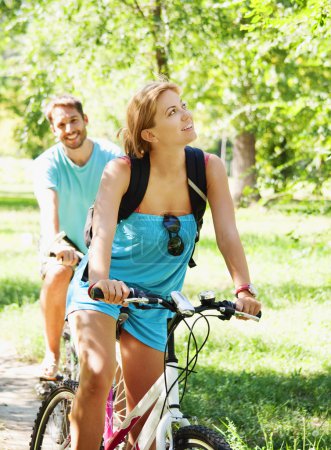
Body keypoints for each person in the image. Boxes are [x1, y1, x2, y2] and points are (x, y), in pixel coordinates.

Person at [66, 81, 262, 450]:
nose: (186, 114)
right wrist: (102, 281)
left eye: (183, 105)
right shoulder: (121, 171)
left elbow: (228, 235)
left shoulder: (208, 169)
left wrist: (243, 288)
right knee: (97, 374)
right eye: (172, 112)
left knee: (148, 425)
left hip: (154, 301)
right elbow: (103, 234)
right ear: (149, 133)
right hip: (101, 289)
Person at [33, 94, 121, 379]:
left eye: (74, 121)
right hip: (67, 243)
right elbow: (49, 209)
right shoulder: (47, 163)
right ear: (53, 130)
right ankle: (52, 353)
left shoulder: (112, 156)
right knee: (58, 272)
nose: (69, 129)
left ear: (85, 120)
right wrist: (57, 243)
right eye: (61, 124)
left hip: (106, 242)